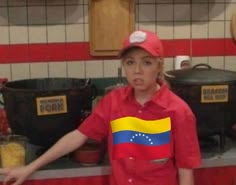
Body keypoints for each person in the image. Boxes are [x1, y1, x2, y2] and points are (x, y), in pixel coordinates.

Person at [0, 30, 201, 185]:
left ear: (159, 65)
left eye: (146, 62)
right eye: (130, 62)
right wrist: (30, 167)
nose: (137, 71)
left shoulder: (178, 111)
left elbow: (185, 172)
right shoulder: (114, 102)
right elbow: (77, 136)